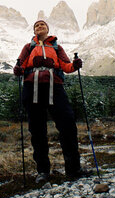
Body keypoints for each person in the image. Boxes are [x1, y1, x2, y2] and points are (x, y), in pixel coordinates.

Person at [13, 19, 88, 183]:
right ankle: (43, 171)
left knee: (68, 126)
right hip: (32, 89)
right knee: (38, 131)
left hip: (56, 88)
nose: (40, 27)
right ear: (34, 31)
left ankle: (74, 169)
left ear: (48, 29)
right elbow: (21, 66)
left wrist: (75, 65)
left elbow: (66, 66)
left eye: (43, 25)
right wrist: (18, 70)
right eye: (37, 26)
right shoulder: (28, 47)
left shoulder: (57, 47)